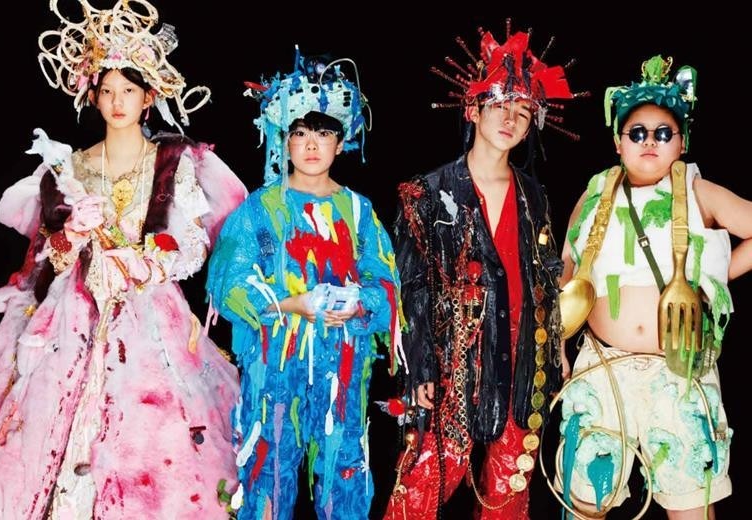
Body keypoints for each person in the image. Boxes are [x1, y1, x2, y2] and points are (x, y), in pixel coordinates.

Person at [0, 1, 247, 517]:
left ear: (148, 98)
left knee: (152, 436)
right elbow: (44, 260)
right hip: (72, 315)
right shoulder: (67, 168)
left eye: (129, 90)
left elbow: (192, 243)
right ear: (93, 95)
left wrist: (147, 263)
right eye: (108, 90)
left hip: (150, 317)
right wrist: (70, 236)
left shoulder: (173, 162)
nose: (118, 101)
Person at [383, 22, 580, 519]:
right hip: (454, 363)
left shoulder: (534, 194)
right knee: (422, 488)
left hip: (522, 361)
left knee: (508, 494)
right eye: (500, 105)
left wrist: (554, 348)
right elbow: (410, 289)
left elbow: (543, 280)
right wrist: (420, 366)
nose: (510, 118)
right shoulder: (427, 195)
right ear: (473, 109)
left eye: (523, 111)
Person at [205, 48, 402, 519]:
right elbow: (229, 283)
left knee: (344, 472)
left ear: (342, 141)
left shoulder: (359, 211)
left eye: (323, 133)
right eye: (300, 133)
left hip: (342, 370)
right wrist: (293, 303)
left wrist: (357, 302)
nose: (312, 144)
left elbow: (386, 283)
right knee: (267, 473)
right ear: (284, 139)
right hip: (273, 367)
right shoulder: (259, 209)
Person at [554, 55, 751, 519]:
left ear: (681, 142)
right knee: (583, 501)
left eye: (663, 133)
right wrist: (557, 347)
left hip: (679, 373)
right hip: (601, 367)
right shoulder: (594, 194)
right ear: (618, 142)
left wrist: (714, 276)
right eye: (636, 132)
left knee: (690, 502)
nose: (649, 141)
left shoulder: (700, 191)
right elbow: (565, 272)